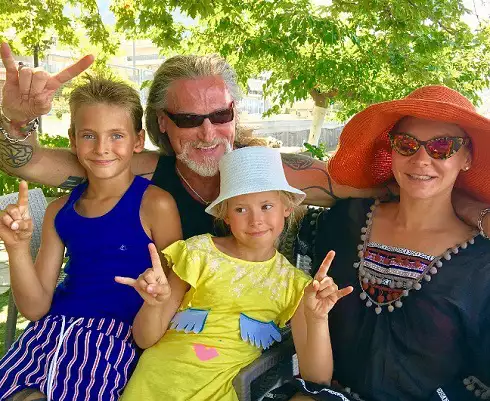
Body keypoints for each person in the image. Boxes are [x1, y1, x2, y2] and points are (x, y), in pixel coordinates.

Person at [0, 42, 393, 242]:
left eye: (220, 115)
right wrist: (17, 120)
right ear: (162, 123)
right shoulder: (135, 170)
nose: (208, 133)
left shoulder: (270, 171)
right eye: (189, 120)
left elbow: (378, 187)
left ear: (234, 113)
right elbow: (27, 163)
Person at [270, 85, 490, 401]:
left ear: (467, 157)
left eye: (442, 146)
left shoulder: (481, 261)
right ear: (392, 151)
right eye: (406, 144)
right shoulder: (346, 219)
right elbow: (264, 176)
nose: (421, 159)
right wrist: (374, 188)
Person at [114, 146, 353, 400]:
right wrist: (154, 304)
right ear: (226, 215)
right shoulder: (198, 253)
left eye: (266, 206)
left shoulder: (295, 285)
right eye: (240, 209)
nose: (255, 220)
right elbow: (144, 339)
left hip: (218, 392)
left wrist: (317, 319)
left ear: (286, 207)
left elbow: (317, 380)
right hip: (154, 383)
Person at [0, 75, 182, 401]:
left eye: (116, 135)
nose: (101, 148)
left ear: (138, 141)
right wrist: (17, 248)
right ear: (72, 140)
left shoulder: (156, 205)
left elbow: (173, 282)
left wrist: (155, 304)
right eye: (88, 135)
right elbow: (36, 308)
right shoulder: (60, 211)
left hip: (111, 341)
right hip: (46, 334)